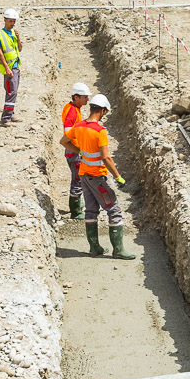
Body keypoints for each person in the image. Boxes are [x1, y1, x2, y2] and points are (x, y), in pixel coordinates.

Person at [58, 94, 135, 260]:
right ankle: (118, 249)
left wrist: (79, 151)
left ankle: (94, 247)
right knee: (113, 210)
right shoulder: (100, 131)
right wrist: (118, 177)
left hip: (84, 175)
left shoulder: (79, 126)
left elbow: (63, 141)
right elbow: (106, 158)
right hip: (98, 177)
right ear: (102, 111)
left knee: (91, 210)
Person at [62, 82, 91, 219]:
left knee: (77, 179)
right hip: (73, 152)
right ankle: (75, 211)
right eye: (85, 97)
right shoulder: (73, 112)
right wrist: (79, 149)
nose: (87, 99)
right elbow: (68, 132)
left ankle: (77, 204)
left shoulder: (72, 107)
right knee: (77, 180)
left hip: (72, 150)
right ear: (76, 97)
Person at [0, 8, 22, 124]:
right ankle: (6, 118)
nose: (12, 23)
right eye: (10, 21)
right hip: (9, 69)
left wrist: (18, 37)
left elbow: (20, 49)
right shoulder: (0, 34)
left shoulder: (13, 33)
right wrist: (6, 68)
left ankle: (11, 114)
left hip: (16, 67)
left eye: (13, 21)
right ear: (4, 20)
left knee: (13, 91)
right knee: (11, 92)